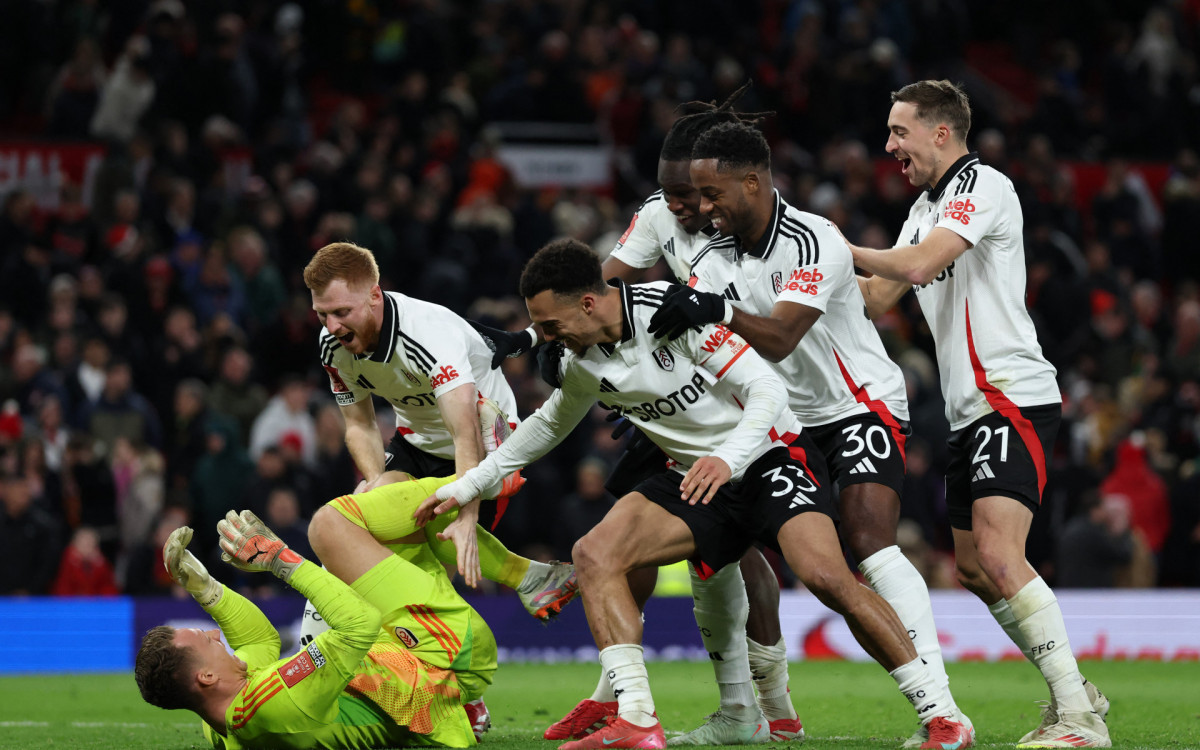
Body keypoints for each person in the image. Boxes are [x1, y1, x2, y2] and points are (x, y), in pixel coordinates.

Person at [426, 239, 972, 750]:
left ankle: (941, 714)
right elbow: (546, 427)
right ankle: (636, 718)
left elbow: (766, 388)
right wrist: (467, 485)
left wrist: (727, 458)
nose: (546, 337)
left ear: (589, 303)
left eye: (550, 324)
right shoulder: (581, 360)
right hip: (691, 477)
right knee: (595, 554)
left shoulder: (670, 312)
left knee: (830, 578)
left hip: (764, 458)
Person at [476, 87, 804, 744]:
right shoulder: (657, 216)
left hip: (744, 386)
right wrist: (544, 338)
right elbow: (594, 284)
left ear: (719, 184)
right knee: (628, 533)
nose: (686, 208)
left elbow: (773, 320)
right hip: (668, 392)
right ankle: (620, 695)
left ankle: (770, 701)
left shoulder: (755, 224)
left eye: (694, 195)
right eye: (676, 194)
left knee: (745, 552)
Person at [643, 119, 965, 746]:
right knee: (721, 552)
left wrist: (713, 309)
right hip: (776, 419)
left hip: (856, 406)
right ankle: (758, 712)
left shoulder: (815, 239)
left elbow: (782, 333)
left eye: (713, 196)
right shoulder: (710, 258)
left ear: (753, 182)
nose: (702, 210)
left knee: (869, 544)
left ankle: (942, 706)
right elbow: (708, 347)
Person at [847, 79, 1110, 748]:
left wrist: (836, 243)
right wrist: (800, 267)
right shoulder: (922, 207)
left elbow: (922, 262)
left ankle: (1078, 718)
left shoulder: (982, 186)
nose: (889, 147)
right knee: (970, 567)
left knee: (998, 553)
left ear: (941, 132)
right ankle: (1074, 692)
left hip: (1009, 394)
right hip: (969, 414)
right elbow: (878, 296)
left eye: (899, 131)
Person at [299, 241, 577, 645]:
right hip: (418, 439)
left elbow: (465, 429)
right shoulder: (333, 346)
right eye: (322, 314)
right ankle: (533, 577)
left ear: (375, 296)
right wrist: (379, 490)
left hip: (485, 444)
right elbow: (359, 425)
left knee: (416, 563)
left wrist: (467, 515)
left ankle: (517, 581)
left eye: (342, 312)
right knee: (379, 529)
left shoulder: (427, 335)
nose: (332, 326)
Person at [134, 473, 497, 748]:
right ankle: (494, 475)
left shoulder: (223, 721)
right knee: (333, 523)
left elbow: (260, 640)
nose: (215, 633)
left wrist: (207, 590)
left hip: (405, 661)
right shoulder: (272, 703)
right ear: (207, 678)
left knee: (383, 490)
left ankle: (481, 478)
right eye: (205, 640)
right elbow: (359, 624)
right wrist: (280, 559)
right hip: (443, 659)